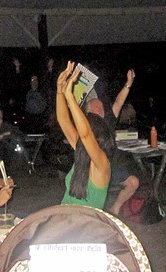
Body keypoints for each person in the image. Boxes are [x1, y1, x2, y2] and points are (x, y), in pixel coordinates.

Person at [57, 61, 116, 209]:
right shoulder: (82, 149)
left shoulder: (102, 164)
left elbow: (85, 135)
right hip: (64, 219)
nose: (80, 129)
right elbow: (63, 120)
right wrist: (60, 91)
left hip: (87, 227)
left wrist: (70, 96)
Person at [86, 69, 140, 215]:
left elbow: (118, 102)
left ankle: (114, 209)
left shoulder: (108, 120)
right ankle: (93, 214)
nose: (100, 109)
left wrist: (128, 84)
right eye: (96, 107)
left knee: (133, 182)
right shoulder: (86, 126)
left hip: (112, 166)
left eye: (101, 106)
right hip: (92, 168)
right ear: (88, 112)